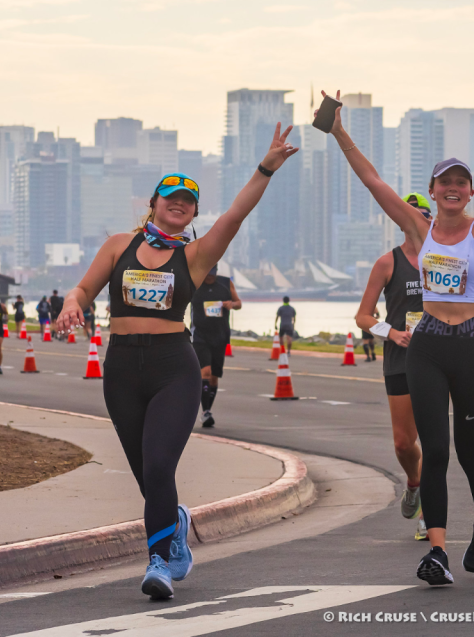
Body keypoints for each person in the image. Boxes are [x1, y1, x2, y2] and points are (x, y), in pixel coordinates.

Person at [54, 123, 297, 600]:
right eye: (171, 196)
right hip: (121, 367)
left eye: (188, 200)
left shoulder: (196, 256)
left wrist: (266, 167)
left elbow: (236, 215)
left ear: (192, 214)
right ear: (154, 203)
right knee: (148, 474)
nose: (179, 203)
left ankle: (159, 562)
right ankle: (176, 522)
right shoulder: (117, 246)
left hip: (173, 366)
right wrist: (71, 303)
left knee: (160, 465)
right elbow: (84, 288)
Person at [326, 89, 474, 585]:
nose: (453, 188)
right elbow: (373, 182)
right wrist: (340, 131)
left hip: (472, 346)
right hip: (428, 344)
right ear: (432, 190)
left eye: (461, 183)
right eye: (444, 182)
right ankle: (436, 552)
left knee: (469, 451)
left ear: (469, 193)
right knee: (435, 451)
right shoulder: (418, 228)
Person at [354, 192, 432, 543]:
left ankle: (429, 517)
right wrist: (392, 332)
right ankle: (413, 484)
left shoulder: (444, 260)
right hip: (399, 358)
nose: (418, 220)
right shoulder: (388, 263)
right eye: (411, 215)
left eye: (424, 215)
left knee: (433, 442)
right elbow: (363, 316)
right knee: (404, 443)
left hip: (436, 358)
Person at [190, 264, 242, 429]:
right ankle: (205, 412)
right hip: (200, 335)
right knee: (205, 371)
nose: (210, 277)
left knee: (214, 377)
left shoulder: (226, 283)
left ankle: (208, 409)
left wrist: (231, 305)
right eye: (207, 274)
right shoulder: (195, 284)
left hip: (220, 335)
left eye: (212, 273)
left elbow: (239, 303)